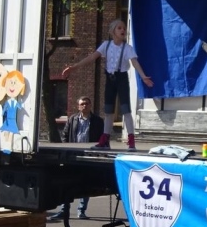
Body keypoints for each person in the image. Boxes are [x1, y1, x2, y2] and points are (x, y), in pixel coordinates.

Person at [62, 19, 153, 151]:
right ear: (112, 31)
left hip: (121, 79)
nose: (123, 30)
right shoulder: (106, 45)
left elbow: (135, 62)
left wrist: (143, 76)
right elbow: (92, 57)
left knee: (126, 110)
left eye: (124, 28)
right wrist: (74, 67)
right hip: (110, 79)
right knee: (108, 111)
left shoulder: (127, 48)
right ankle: (105, 140)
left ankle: (131, 140)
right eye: (119, 28)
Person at [50, 96, 104, 220]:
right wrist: (67, 149)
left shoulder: (98, 121)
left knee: (85, 183)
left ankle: (81, 210)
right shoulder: (72, 119)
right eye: (82, 104)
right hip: (73, 155)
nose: (85, 106)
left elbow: (102, 138)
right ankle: (64, 210)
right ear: (78, 106)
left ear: (90, 105)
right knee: (67, 183)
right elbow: (65, 135)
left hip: (88, 156)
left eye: (87, 103)